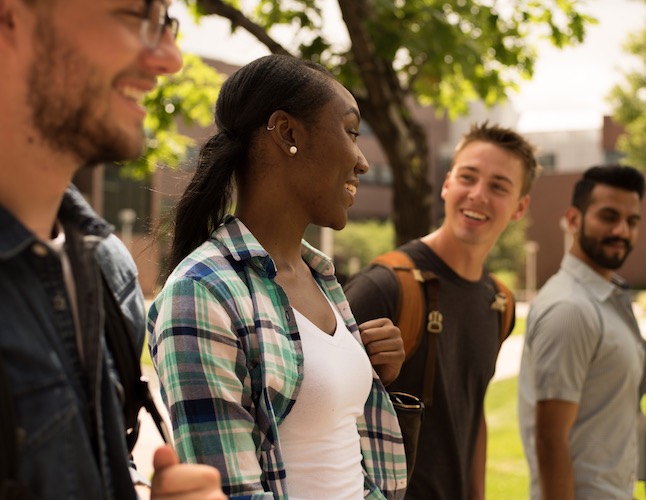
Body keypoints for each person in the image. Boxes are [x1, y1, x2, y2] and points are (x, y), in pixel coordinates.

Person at [148, 54, 408, 499]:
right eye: (350, 132)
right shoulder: (202, 293)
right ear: (287, 132)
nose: (362, 162)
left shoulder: (321, 276)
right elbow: (231, 492)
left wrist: (368, 371)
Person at [0, 0, 226, 499]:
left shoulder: (106, 270)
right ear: (11, 16)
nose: (170, 58)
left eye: (167, 22)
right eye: (135, 15)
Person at [345, 123, 540, 499]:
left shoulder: (499, 302)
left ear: (520, 207)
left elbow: (472, 411)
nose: (478, 195)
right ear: (447, 183)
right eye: (468, 177)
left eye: (499, 186)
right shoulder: (385, 286)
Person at [517, 165, 646, 500]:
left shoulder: (603, 296)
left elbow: (599, 366)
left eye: (632, 221)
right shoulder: (571, 309)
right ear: (574, 219)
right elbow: (550, 439)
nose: (621, 230)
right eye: (608, 216)